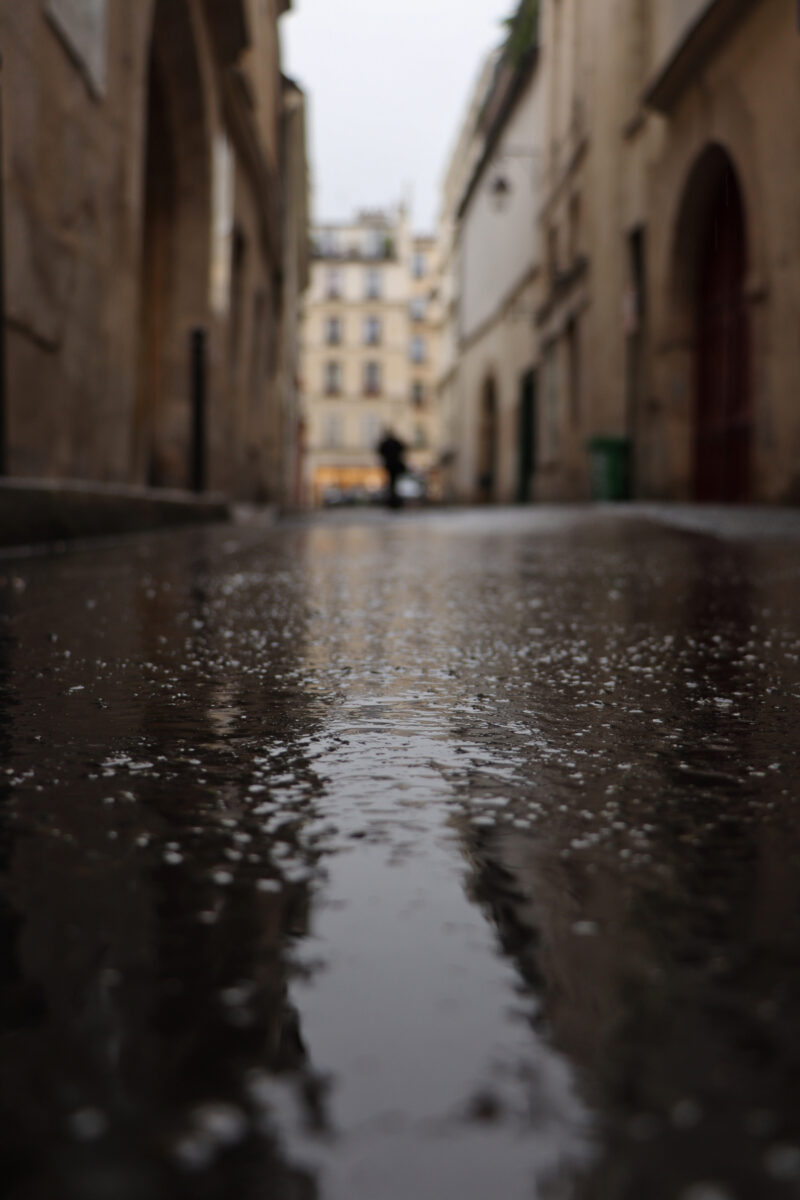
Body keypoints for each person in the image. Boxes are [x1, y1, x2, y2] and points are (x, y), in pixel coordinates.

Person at [376, 429, 407, 509]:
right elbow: (403, 448)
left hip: (390, 465)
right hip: (394, 465)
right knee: (393, 483)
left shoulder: (387, 443)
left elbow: (380, 450)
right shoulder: (395, 443)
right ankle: (394, 500)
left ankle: (393, 500)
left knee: (391, 483)